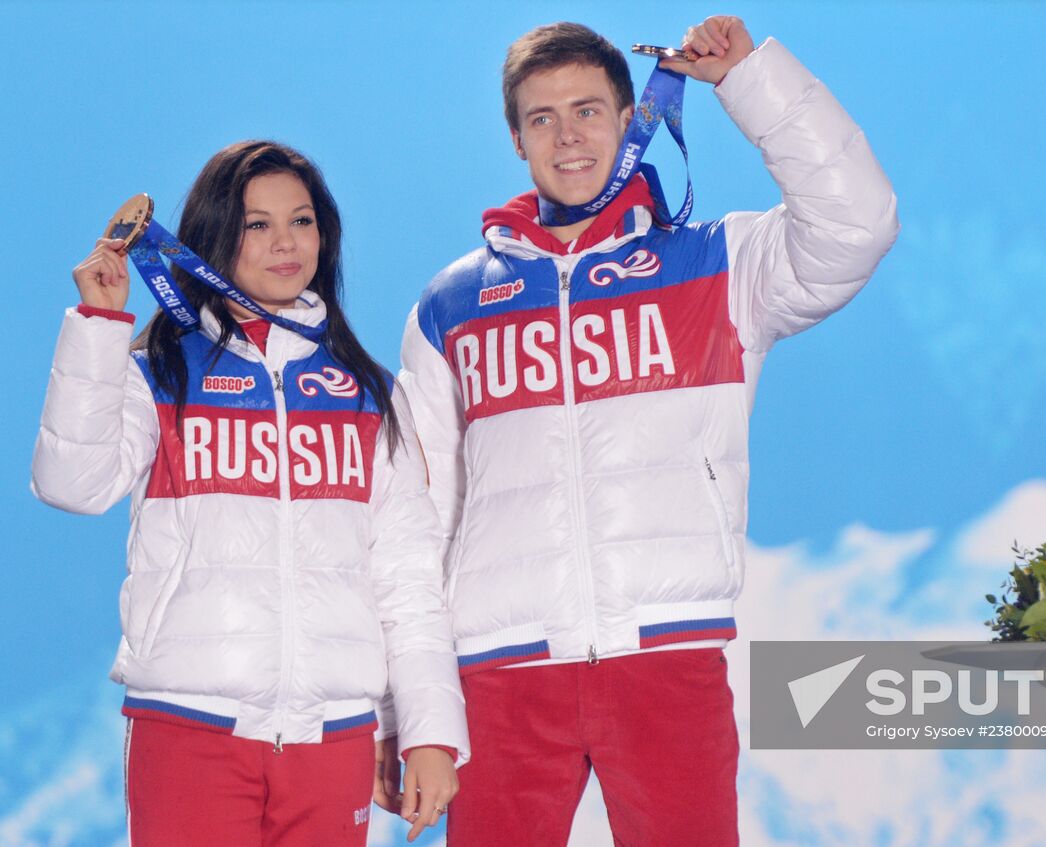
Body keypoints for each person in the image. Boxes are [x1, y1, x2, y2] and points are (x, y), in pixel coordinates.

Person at [398, 15, 898, 846]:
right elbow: (414, 521)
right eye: (542, 118)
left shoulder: (718, 264)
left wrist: (749, 80)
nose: (568, 137)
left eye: (589, 111)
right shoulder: (448, 306)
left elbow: (860, 222)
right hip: (499, 671)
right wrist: (413, 710)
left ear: (632, 121)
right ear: (515, 138)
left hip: (666, 654)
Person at [32, 140, 469, 847]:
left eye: (301, 220)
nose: (284, 242)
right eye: (256, 223)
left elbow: (408, 580)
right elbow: (72, 485)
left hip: (332, 740)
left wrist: (428, 733)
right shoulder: (162, 370)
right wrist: (99, 326)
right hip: (190, 727)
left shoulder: (368, 393)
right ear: (213, 235)